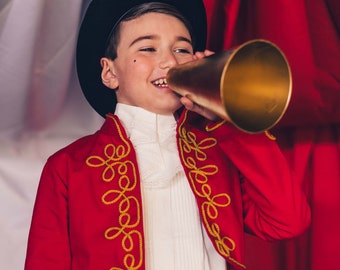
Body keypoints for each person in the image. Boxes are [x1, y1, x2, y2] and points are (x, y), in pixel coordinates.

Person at [24, 0, 311, 269]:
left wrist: (229, 117)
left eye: (182, 50)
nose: (169, 62)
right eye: (148, 49)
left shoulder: (219, 152)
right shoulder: (68, 166)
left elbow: (287, 220)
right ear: (110, 73)